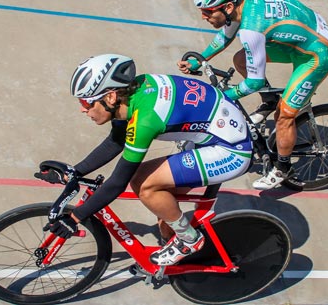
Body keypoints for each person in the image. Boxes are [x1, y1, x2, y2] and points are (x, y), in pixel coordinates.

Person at [37, 53, 253, 266]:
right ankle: (184, 255)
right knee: (164, 213)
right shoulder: (132, 93)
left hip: (230, 150)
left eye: (86, 102)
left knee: (144, 184)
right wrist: (76, 171)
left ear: (110, 97)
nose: (82, 109)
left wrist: (75, 217)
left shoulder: (146, 119)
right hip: (211, 135)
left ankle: (190, 240)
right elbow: (116, 140)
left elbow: (117, 182)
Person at [178, 0, 328, 190]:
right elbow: (226, 34)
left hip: (316, 55)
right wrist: (200, 59)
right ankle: (269, 100)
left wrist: (221, 97)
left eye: (208, 12)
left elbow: (254, 81)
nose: (204, 17)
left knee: (284, 116)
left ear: (228, 7)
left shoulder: (252, 29)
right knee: (240, 58)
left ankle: (284, 168)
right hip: (304, 36)